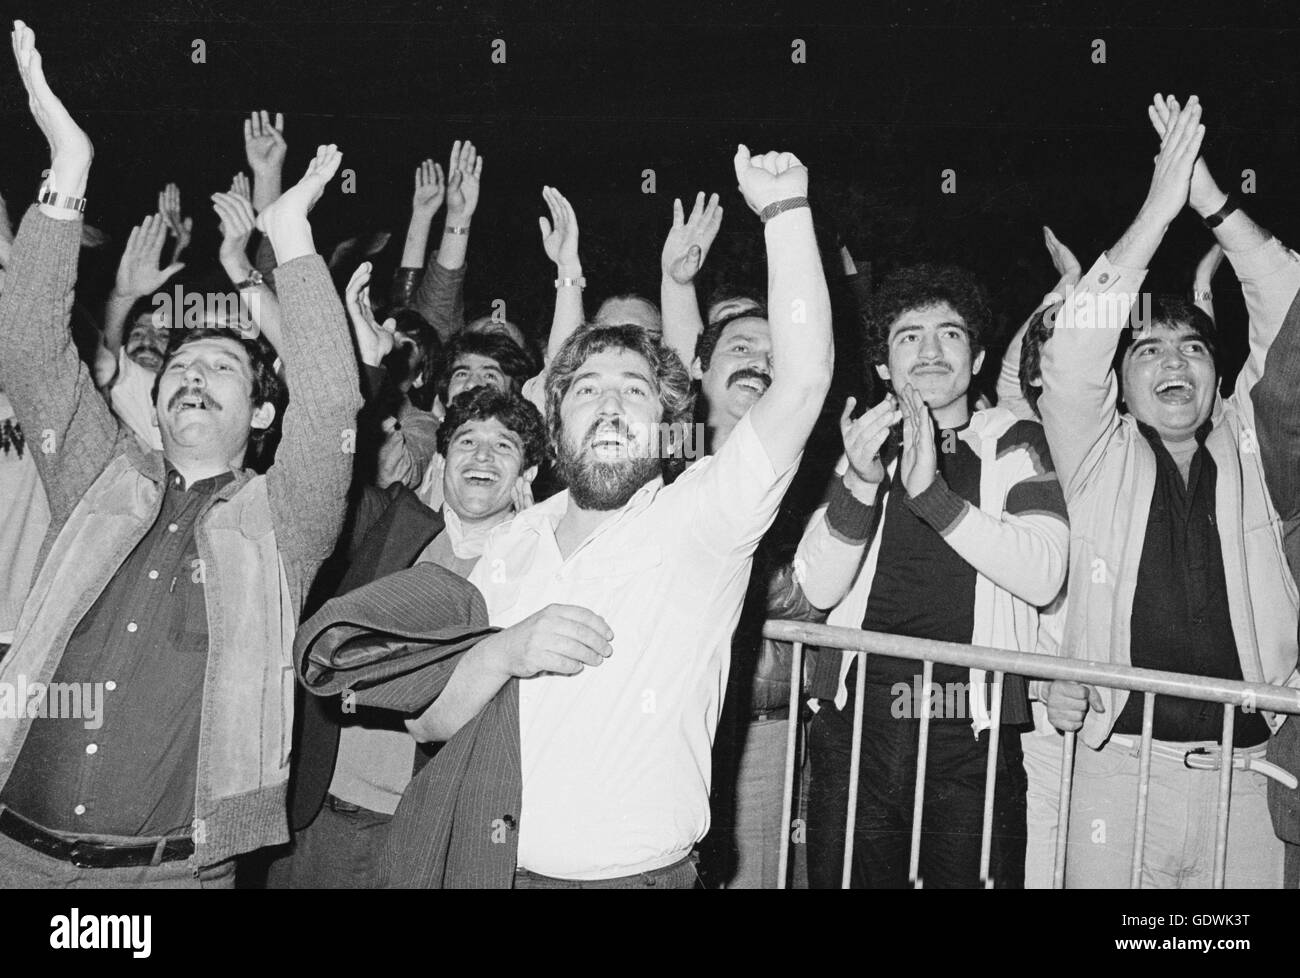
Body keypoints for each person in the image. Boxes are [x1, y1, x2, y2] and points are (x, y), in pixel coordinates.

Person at [294, 143, 832, 887]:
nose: (610, 403)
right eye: (587, 390)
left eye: (635, 391)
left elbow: (803, 382)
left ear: (667, 421)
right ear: (554, 420)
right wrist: (505, 650)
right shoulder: (511, 541)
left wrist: (785, 213)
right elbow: (430, 721)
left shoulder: (703, 519)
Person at [0, 21, 361, 888]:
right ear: (154, 403)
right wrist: (70, 167)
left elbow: (335, 397)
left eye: (225, 366)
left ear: (262, 408)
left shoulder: (285, 521)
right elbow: (27, 347)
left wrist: (292, 237)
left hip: (165, 876)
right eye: (183, 365)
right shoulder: (97, 470)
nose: (194, 373)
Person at [1038, 95, 1299, 888]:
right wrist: (1159, 208)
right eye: (1147, 349)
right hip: (1119, 771)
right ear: (1120, 384)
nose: (1174, 361)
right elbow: (1075, 347)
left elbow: (1290, 310)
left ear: (1221, 378)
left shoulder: (1254, 446)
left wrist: (1213, 203)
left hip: (1250, 780)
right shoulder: (1092, 452)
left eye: (1192, 346)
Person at [794, 260, 1068, 889]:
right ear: (884, 366)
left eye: (950, 333)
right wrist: (861, 484)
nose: (930, 349)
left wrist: (935, 498)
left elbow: (1044, 573)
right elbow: (816, 587)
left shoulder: (1015, 439)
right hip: (855, 724)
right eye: (908, 335)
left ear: (976, 360)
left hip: (969, 732)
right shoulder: (863, 445)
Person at [275, 386, 544, 888]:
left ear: (527, 475)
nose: (482, 455)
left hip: (414, 822)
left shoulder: (541, 565)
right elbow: (326, 473)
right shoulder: (391, 522)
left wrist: (530, 544)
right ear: (441, 462)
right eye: (466, 441)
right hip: (315, 807)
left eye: (504, 445)